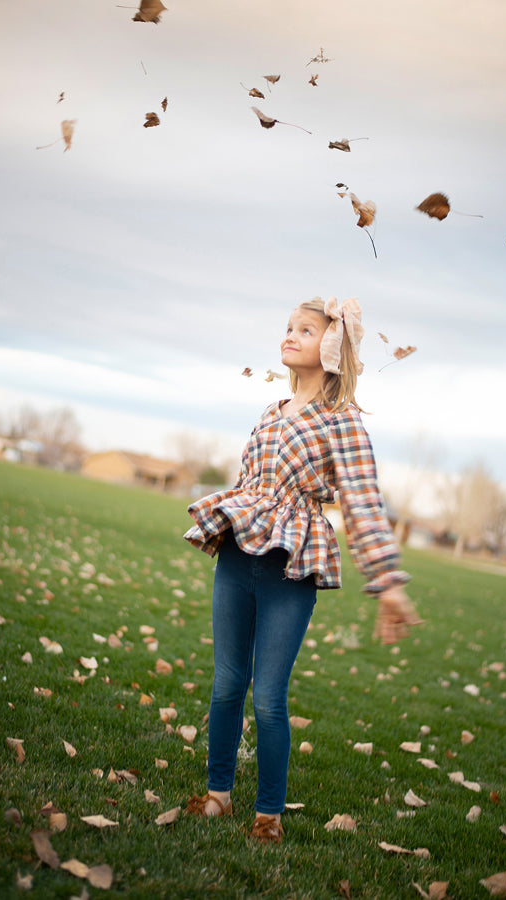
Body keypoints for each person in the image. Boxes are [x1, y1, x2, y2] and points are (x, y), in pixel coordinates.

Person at [183, 296, 422, 844]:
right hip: (238, 562)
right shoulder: (270, 413)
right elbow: (249, 486)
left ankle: (269, 815)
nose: (290, 335)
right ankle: (217, 794)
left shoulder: (343, 423)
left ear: (333, 347)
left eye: (306, 330)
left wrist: (386, 583)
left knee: (267, 696)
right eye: (288, 327)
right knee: (225, 685)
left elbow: (362, 504)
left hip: (290, 571)